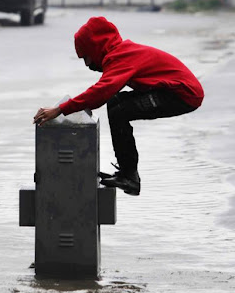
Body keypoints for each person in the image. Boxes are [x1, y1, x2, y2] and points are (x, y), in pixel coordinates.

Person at [33, 16, 204, 196]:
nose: (87, 64)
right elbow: (105, 94)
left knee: (120, 111)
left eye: (87, 56)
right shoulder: (121, 53)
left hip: (183, 94)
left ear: (96, 47)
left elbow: (100, 92)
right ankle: (127, 172)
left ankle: (130, 177)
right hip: (172, 90)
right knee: (116, 103)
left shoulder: (121, 57)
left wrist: (60, 110)